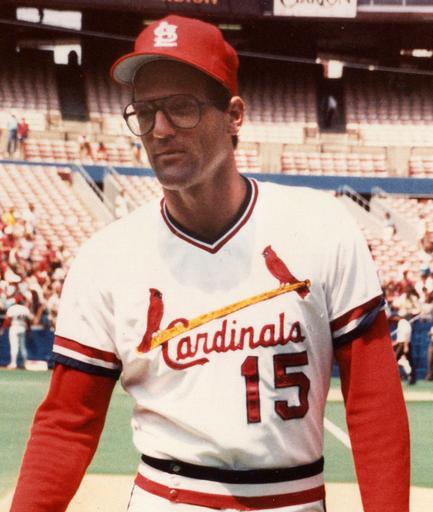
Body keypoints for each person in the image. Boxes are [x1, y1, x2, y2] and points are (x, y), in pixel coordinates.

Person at [10, 15, 409, 512]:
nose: (160, 129)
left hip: (293, 499)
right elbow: (67, 425)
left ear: (234, 115)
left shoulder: (321, 227)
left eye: (181, 107)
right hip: (168, 498)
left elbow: (374, 402)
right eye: (145, 111)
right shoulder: (106, 257)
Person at [1, 295, 32, 369]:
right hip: (22, 327)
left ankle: (13, 363)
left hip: (14, 327)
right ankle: (24, 363)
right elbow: (28, 321)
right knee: (22, 347)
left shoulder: (12, 308)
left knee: (14, 346)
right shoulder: (25, 309)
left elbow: (8, 320)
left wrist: (3, 328)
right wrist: (29, 330)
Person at [392, 313, 416, 385]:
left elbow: (406, 335)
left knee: (394, 360)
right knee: (410, 361)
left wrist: (405, 346)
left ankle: (392, 377)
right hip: (402, 344)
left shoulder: (403, 323)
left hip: (403, 344)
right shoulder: (402, 323)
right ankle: (412, 378)